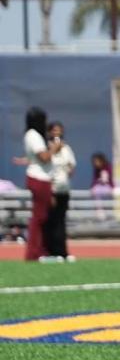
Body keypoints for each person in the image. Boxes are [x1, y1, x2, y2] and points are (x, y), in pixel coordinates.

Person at [21, 107, 57, 261]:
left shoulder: (31, 135)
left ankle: (39, 251)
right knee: (39, 217)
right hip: (39, 178)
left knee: (41, 216)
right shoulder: (34, 135)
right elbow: (44, 157)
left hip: (40, 178)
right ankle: (34, 253)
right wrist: (55, 149)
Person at [45, 122, 76, 261]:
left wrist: (69, 171)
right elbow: (46, 169)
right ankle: (52, 252)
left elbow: (71, 166)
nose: (57, 133)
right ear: (50, 132)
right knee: (52, 221)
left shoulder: (66, 148)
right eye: (54, 130)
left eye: (59, 130)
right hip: (52, 189)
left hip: (64, 189)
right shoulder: (46, 148)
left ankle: (63, 252)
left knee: (61, 221)